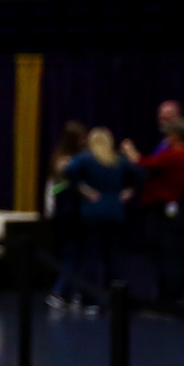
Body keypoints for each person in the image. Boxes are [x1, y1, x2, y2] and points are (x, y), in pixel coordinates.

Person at [65, 127, 141, 314]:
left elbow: (68, 172)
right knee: (114, 257)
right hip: (115, 211)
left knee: (91, 256)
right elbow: (140, 173)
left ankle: (89, 299)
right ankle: (116, 299)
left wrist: (83, 190)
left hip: (93, 212)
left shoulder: (85, 158)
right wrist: (128, 192)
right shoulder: (118, 160)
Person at [121, 117, 184, 302]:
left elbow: (144, 163)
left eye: (170, 134)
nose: (167, 138)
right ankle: (171, 293)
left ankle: (169, 297)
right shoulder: (183, 155)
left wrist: (129, 150)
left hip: (162, 211)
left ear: (177, 136)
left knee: (167, 254)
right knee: (169, 253)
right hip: (168, 210)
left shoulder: (175, 155)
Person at [45, 120, 87, 309]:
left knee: (73, 255)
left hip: (64, 211)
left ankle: (69, 292)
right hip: (68, 212)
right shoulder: (67, 161)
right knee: (71, 255)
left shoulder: (60, 156)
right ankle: (59, 292)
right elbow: (58, 187)